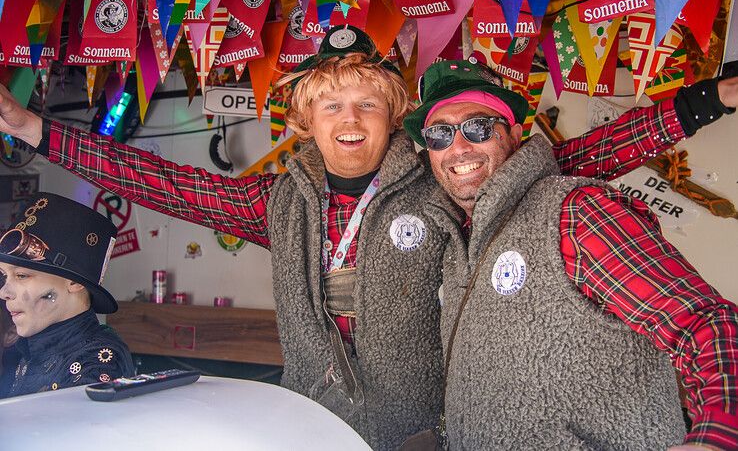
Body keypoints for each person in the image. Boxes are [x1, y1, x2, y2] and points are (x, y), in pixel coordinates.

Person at [0, 25, 730, 448]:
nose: (349, 120)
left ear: (391, 116)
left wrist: (709, 100)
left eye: (367, 104)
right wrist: (36, 131)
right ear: (308, 123)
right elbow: (166, 184)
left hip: (422, 434)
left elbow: (583, 157)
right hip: (310, 424)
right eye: (330, 106)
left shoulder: (449, 180)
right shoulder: (278, 203)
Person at [402, 59, 738, 449]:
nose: (458, 147)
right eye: (440, 135)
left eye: (477, 127)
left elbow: (706, 323)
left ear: (512, 135)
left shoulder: (577, 212)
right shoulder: (457, 233)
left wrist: (717, 437)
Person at [0, 192, 134, 398]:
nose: (4, 292)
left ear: (74, 282)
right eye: (4, 276)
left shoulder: (97, 362)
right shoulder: (26, 348)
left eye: (21, 275)